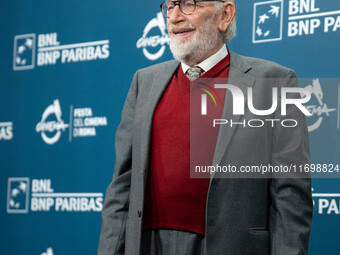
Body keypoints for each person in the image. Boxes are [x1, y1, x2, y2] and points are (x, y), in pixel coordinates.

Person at [98, 0, 313, 255]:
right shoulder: (143, 82)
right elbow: (123, 185)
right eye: (169, 5)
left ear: (225, 14)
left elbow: (290, 194)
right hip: (148, 244)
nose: (174, 16)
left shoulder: (275, 81)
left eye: (189, 4)